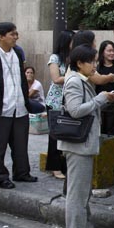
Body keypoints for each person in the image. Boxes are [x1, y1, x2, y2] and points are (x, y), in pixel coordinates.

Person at [59, 45, 114, 228]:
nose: (94, 66)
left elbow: (88, 109)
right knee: (77, 194)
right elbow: (75, 111)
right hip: (78, 147)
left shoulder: (82, 80)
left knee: (83, 193)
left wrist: (104, 100)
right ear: (79, 63)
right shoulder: (74, 81)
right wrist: (100, 99)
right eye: (91, 62)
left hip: (83, 144)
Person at [0, 22, 37, 189]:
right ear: (1, 37)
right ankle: (0, 177)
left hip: (19, 106)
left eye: (16, 34)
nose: (16, 37)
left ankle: (22, 173)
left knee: (20, 144)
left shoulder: (18, 52)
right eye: (13, 34)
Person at [44, 30, 75, 179]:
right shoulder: (55, 58)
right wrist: (74, 76)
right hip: (55, 102)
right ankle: (54, 167)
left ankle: (63, 165)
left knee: (66, 135)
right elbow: (56, 79)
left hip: (69, 102)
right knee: (55, 136)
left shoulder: (73, 58)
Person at [96, 40, 114, 135]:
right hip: (100, 103)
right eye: (109, 51)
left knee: (111, 132)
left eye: (113, 51)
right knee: (100, 131)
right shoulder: (97, 68)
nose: (112, 53)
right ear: (102, 52)